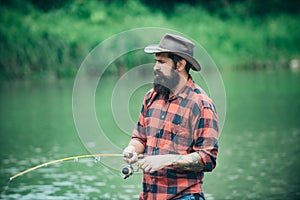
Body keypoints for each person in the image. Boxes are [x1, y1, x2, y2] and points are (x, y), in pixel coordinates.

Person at [123, 33, 219, 200]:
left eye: (162, 62)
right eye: (156, 61)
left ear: (180, 64)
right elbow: (139, 138)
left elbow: (208, 158)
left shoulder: (200, 104)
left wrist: (167, 160)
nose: (155, 67)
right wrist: (132, 149)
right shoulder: (150, 97)